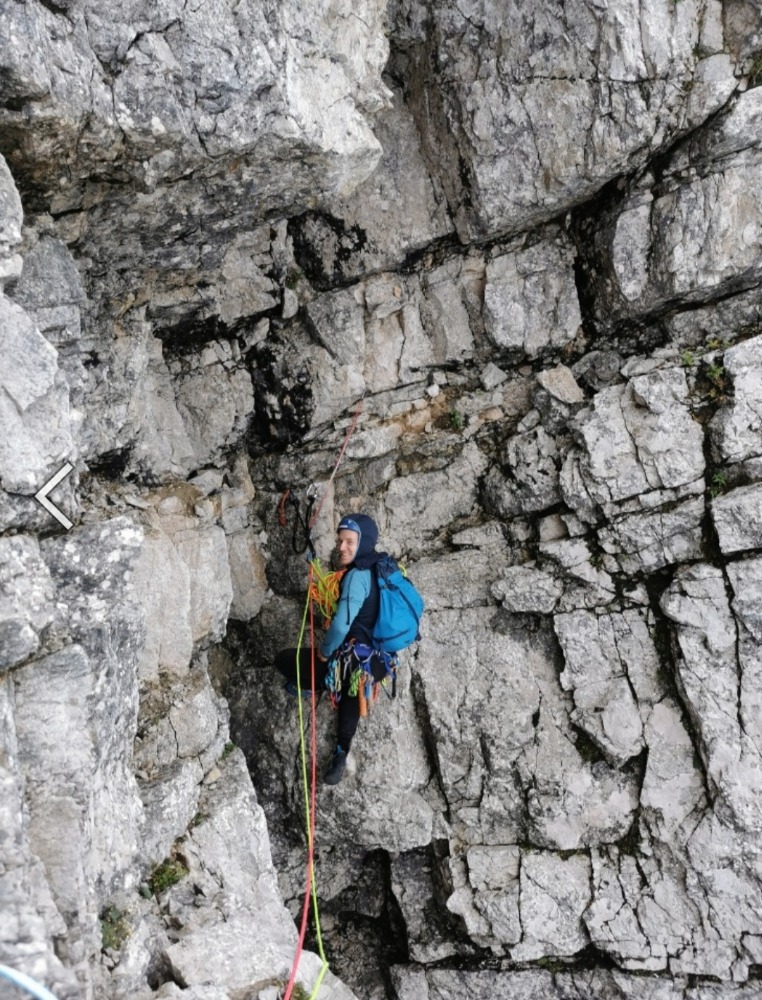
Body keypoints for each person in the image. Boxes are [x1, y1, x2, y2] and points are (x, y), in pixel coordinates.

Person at [275, 513, 388, 785]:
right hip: (378, 662)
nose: (341, 547)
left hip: (350, 660)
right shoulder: (383, 568)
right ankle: (341, 751)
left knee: (284, 660)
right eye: (340, 541)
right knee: (354, 684)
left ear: (364, 542)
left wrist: (325, 652)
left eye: (349, 541)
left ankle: (313, 686)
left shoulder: (357, 577)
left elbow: (340, 626)